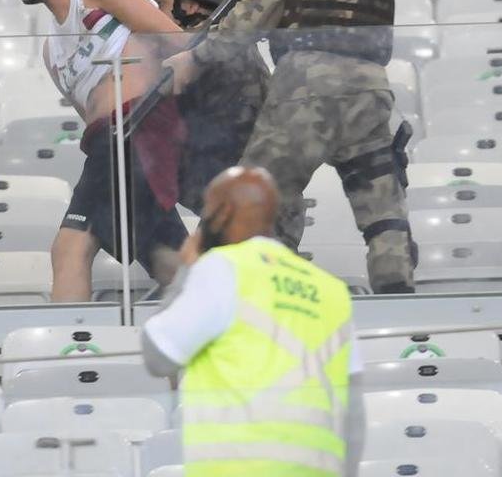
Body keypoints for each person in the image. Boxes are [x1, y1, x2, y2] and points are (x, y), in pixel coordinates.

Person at [164, 0, 415, 294]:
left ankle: (271, 296)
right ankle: (398, 303)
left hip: (306, 84)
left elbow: (253, 12)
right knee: (383, 213)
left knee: (257, 199)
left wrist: (195, 58)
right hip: (371, 85)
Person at [2, 0, 190, 302]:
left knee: (70, 248)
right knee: (169, 261)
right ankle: (230, 318)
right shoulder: (50, 53)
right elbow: (89, 114)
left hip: (140, 124)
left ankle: (66, 351)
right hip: (110, 144)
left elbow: (175, 41)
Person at [142, 166, 364, 477]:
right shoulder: (331, 290)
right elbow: (352, 415)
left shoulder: (221, 269)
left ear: (222, 214)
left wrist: (186, 269)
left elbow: (158, 355)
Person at [144, 0, 269, 214]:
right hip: (234, 202)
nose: (155, 15)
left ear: (189, 5)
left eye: (162, 4)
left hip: (248, 207)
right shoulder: (206, 52)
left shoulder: (214, 53)